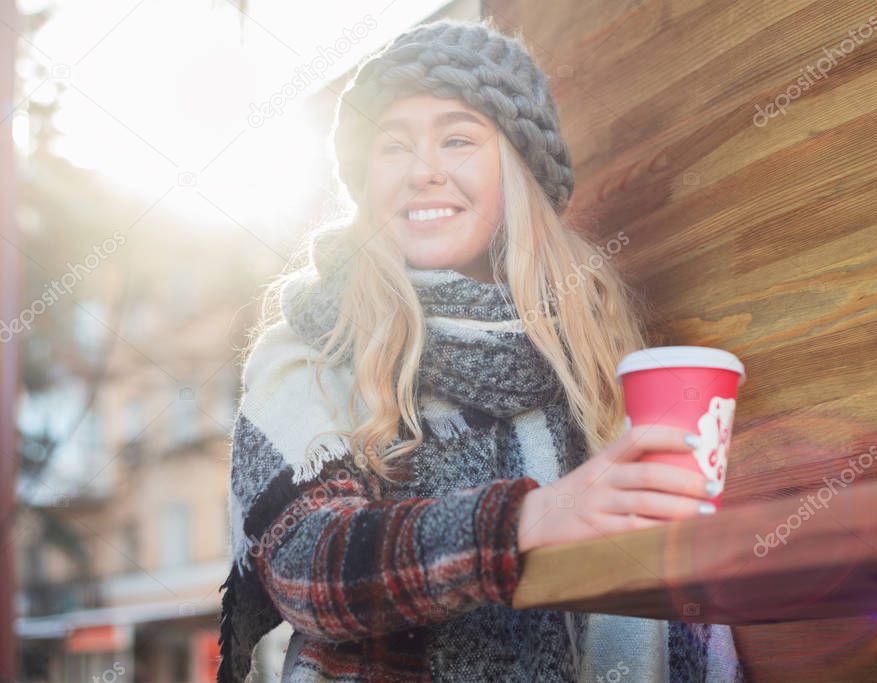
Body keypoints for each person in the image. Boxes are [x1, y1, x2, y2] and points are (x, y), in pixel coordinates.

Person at [216, 16, 746, 683]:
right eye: (392, 147)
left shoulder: (590, 347)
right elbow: (305, 564)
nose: (423, 172)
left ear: (517, 167)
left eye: (458, 138)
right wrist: (527, 518)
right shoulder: (310, 347)